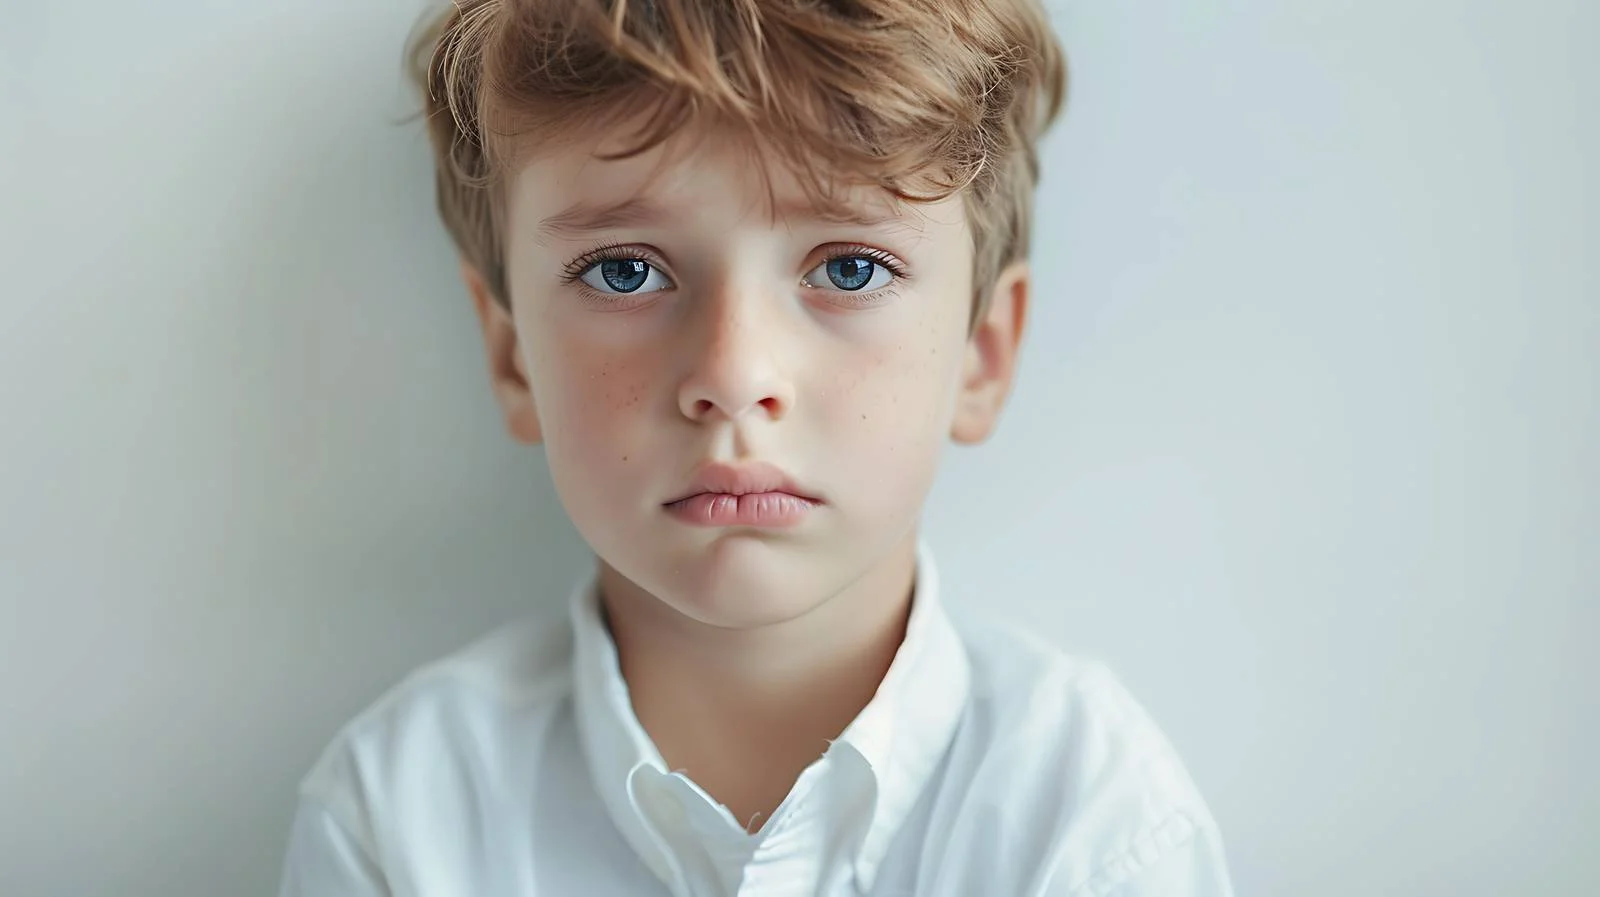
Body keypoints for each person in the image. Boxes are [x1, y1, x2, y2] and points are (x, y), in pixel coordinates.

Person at [278, 1, 1235, 894]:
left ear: (983, 353)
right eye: (625, 270)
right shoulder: (398, 822)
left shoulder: (1092, 832)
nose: (734, 375)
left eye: (850, 267)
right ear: (512, 354)